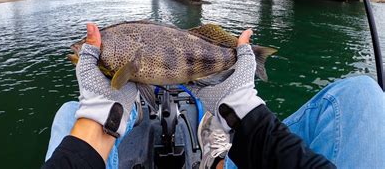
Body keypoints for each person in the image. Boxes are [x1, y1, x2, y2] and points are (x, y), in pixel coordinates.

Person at [43, 23, 385, 169]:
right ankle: (228, 127)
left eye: (85, 47)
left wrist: (97, 119)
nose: (80, 50)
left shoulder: (113, 58)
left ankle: (107, 125)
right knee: (362, 93)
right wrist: (246, 112)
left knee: (70, 112)